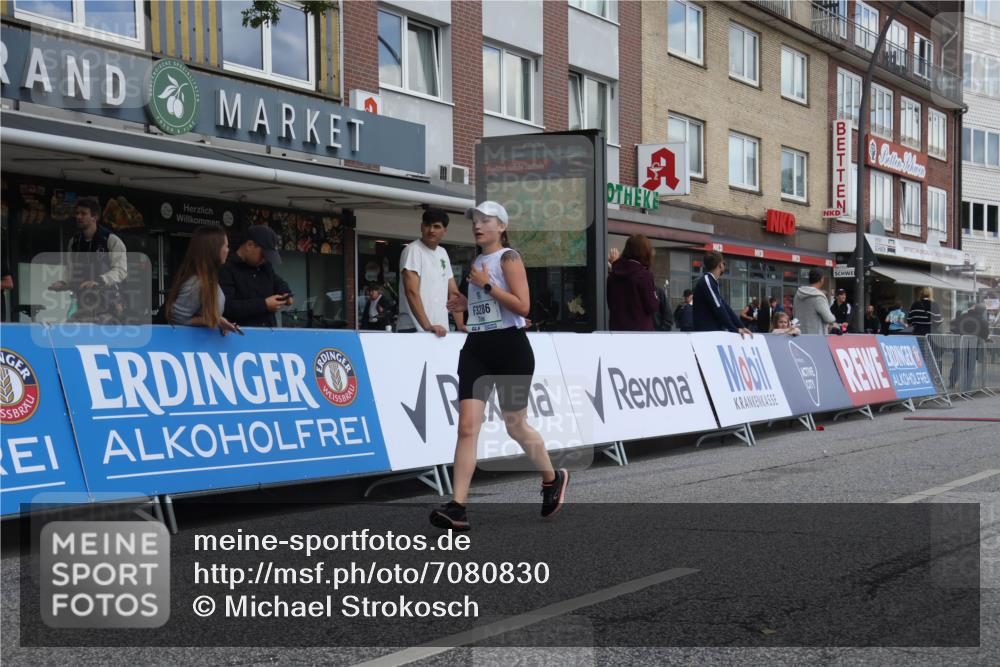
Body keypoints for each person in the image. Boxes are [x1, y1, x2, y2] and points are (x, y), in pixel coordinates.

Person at [431, 201, 568, 531]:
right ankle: (458, 506)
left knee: (515, 426)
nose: (478, 225)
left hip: (510, 347)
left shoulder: (509, 258)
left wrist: (485, 285)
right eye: (475, 221)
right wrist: (466, 301)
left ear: (501, 227)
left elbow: (523, 305)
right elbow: (485, 303)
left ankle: (552, 479)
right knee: (467, 426)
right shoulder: (477, 260)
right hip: (477, 347)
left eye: (486, 220)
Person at [48, 197, 128, 323]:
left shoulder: (111, 240)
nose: (79, 216)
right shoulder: (74, 242)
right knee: (72, 327)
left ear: (94, 217)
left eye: (83, 213)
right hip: (83, 303)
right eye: (77, 213)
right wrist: (63, 283)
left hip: (109, 305)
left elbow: (121, 271)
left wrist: (100, 280)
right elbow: (70, 269)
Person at [397, 208, 464, 335]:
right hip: (413, 328)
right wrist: (427, 326)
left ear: (445, 230)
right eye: (427, 225)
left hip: (439, 329)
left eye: (436, 226)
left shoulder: (442, 253)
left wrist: (460, 325)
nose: (431, 230)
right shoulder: (413, 250)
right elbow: (411, 291)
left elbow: (454, 294)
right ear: (421, 227)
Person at [163, 225, 238, 335]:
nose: (228, 250)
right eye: (226, 246)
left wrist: (220, 323)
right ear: (214, 249)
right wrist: (214, 321)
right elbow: (176, 318)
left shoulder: (208, 280)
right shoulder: (197, 284)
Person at [219, 225, 292, 328]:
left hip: (268, 332)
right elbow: (227, 307)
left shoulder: (265, 266)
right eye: (263, 255)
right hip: (240, 334)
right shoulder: (226, 268)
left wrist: (286, 294)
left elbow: (278, 282)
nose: (265, 259)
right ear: (250, 245)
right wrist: (264, 305)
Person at [607, 234, 658, 331]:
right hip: (640, 333)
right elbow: (652, 306)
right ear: (645, 252)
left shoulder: (613, 276)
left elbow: (611, 304)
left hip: (617, 331)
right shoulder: (643, 275)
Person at [693, 252, 751, 335]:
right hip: (707, 333)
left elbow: (725, 307)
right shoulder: (707, 281)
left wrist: (741, 326)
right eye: (724, 263)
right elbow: (719, 308)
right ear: (720, 265)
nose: (724, 265)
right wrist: (734, 329)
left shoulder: (712, 282)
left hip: (712, 332)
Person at [793, 269, 839, 336]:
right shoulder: (818, 297)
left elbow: (794, 314)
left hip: (799, 336)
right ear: (822, 279)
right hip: (816, 337)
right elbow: (829, 318)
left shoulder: (797, 295)